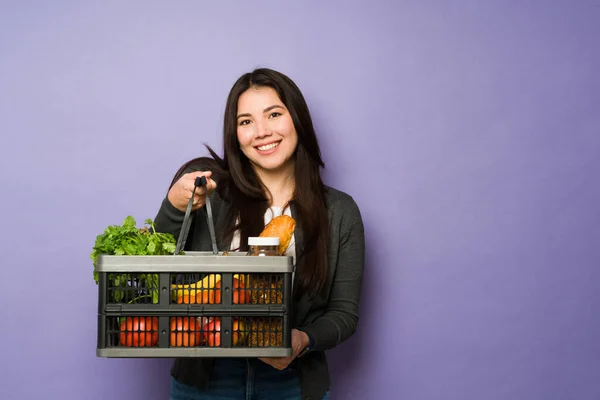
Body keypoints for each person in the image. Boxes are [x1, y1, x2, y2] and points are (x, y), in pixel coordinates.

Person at [153, 68, 365, 400]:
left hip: (292, 384)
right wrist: (173, 207)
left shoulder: (339, 212)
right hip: (206, 384)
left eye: (274, 114)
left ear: (297, 119)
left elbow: (344, 313)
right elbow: (156, 268)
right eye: (246, 121)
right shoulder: (206, 190)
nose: (262, 132)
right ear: (235, 134)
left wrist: (303, 340)